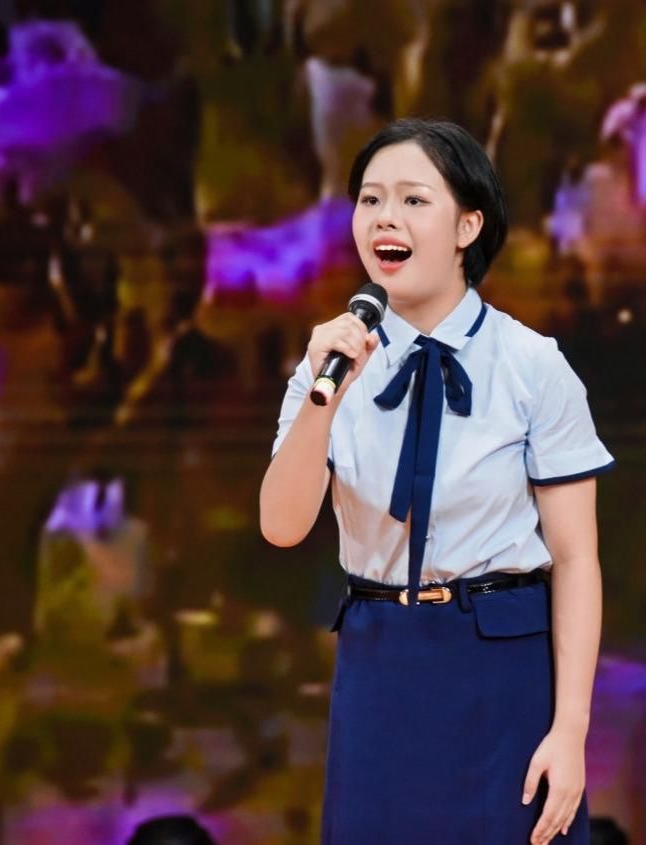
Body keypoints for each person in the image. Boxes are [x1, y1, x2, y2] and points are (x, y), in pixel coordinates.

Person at [259, 118, 614, 844]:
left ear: (467, 226)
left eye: (413, 200)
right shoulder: (330, 361)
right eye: (370, 200)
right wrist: (324, 401)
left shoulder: (531, 364)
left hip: (501, 665)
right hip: (381, 657)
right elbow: (282, 526)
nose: (384, 218)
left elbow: (576, 558)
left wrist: (571, 729)